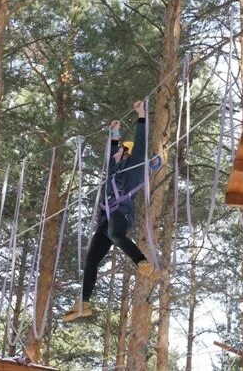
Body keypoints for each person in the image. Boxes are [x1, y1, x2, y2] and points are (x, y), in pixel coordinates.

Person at [62, 100, 156, 322]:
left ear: (126, 155)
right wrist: (114, 133)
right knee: (91, 260)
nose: (115, 154)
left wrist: (141, 114)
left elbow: (140, 144)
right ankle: (83, 302)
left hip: (121, 214)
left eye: (120, 151)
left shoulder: (133, 168)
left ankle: (142, 261)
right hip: (106, 221)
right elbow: (111, 156)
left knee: (116, 234)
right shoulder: (113, 171)